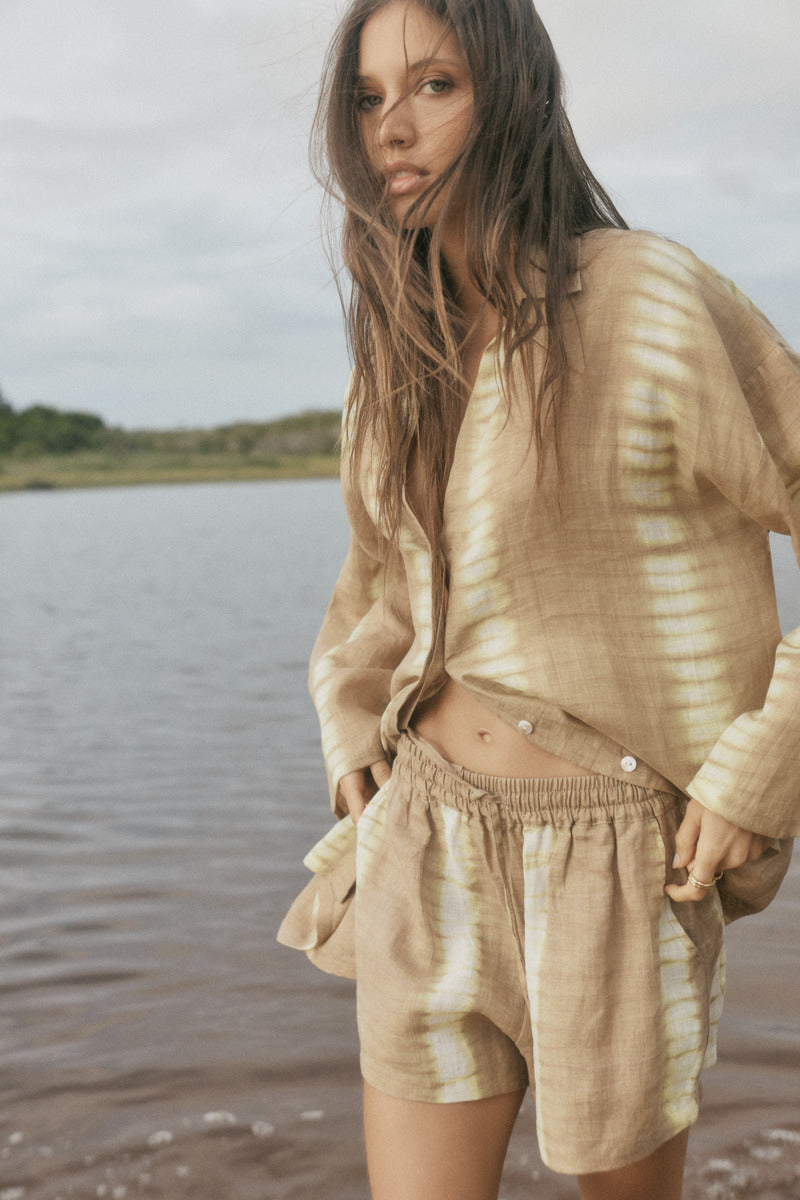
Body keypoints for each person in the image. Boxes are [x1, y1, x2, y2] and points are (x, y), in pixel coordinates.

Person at [278, 1, 799, 1197]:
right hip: (422, 833)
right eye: (366, 98)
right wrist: (350, 718)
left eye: (433, 87)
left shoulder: (649, 300)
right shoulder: (396, 345)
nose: (391, 130)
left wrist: (760, 762)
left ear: (509, 94)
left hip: (615, 858)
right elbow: (376, 574)